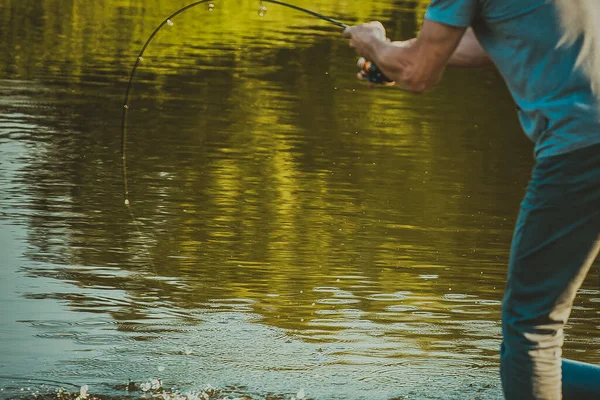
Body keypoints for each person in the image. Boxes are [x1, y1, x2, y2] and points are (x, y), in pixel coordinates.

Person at [342, 1, 600, 399]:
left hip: (581, 148)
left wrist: (375, 44)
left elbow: (417, 73)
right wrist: (402, 51)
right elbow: (500, 38)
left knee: (530, 332)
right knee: (534, 348)